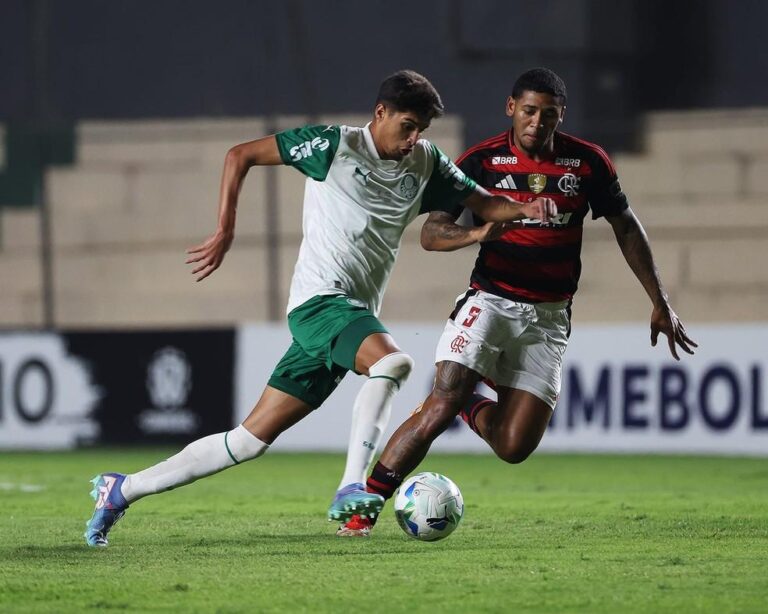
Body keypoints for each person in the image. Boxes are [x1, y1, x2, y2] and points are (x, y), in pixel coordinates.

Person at [84, 69, 558, 547]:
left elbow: (482, 201)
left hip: (347, 314)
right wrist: (226, 228)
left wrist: (522, 209)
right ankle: (353, 484)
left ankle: (120, 489)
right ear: (381, 113)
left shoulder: (425, 162)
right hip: (319, 303)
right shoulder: (334, 146)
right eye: (408, 126)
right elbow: (241, 154)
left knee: (247, 441)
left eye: (422, 131)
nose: (414, 138)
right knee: (393, 362)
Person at [334, 67, 697, 537]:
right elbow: (430, 232)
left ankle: (469, 402)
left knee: (513, 446)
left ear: (560, 115)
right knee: (439, 406)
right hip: (490, 301)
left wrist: (660, 299)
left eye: (548, 114)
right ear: (511, 108)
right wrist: (480, 231)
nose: (536, 122)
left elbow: (626, 225)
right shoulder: (481, 161)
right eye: (528, 111)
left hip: (549, 318)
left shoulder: (588, 163)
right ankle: (365, 509)